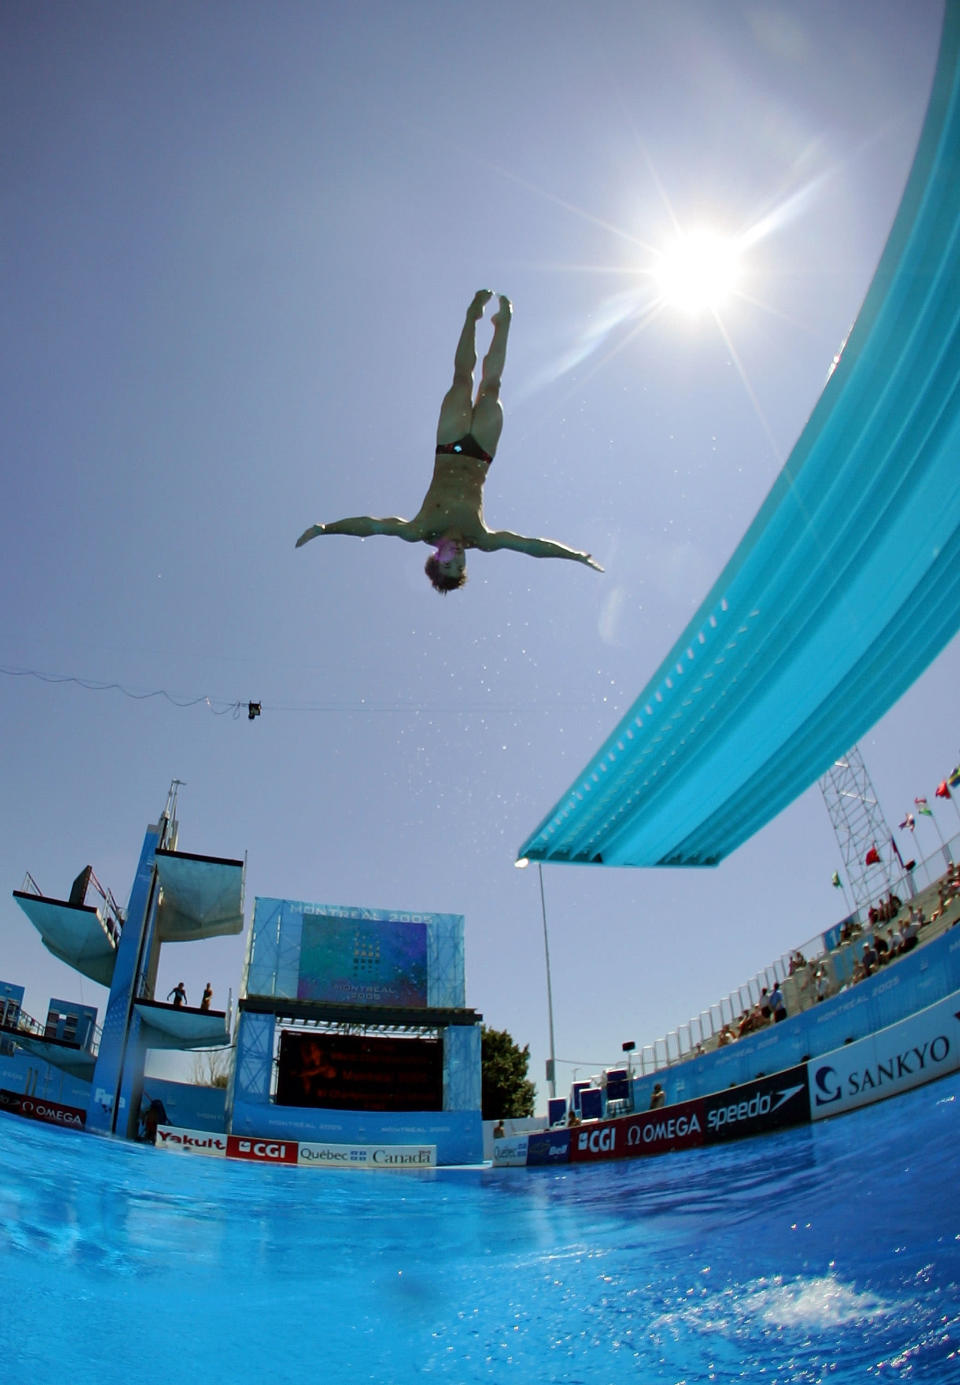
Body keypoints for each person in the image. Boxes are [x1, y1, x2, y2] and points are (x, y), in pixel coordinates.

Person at [296, 291, 603, 592]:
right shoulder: (481, 538)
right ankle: (503, 323)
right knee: (492, 387)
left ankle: (472, 317)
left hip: (450, 446)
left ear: (436, 556)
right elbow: (528, 546)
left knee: (462, 379)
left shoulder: (420, 529)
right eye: (461, 564)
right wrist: (573, 555)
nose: (457, 557)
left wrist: (326, 529)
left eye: (448, 563)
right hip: (481, 452)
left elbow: (372, 526)